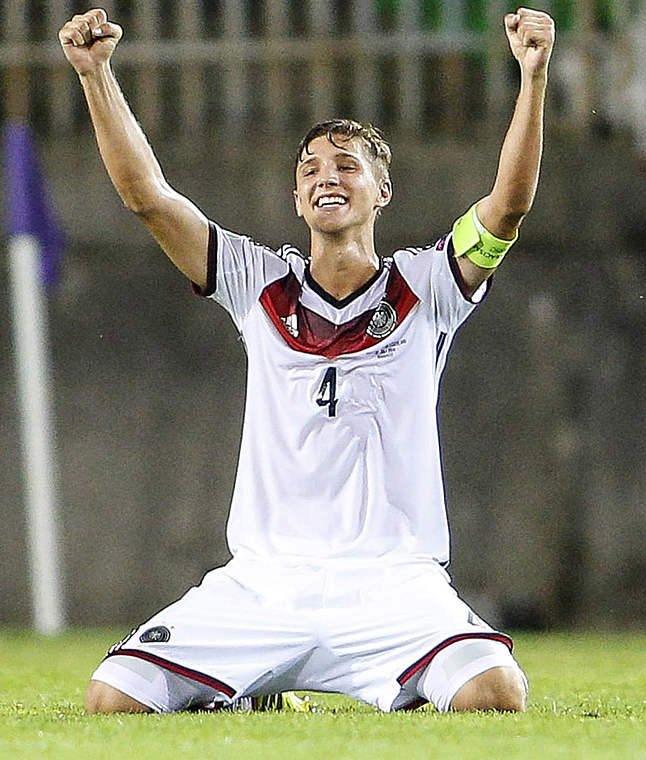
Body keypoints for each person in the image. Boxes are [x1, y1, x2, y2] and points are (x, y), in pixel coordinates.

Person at [59, 5, 554, 714]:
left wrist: (531, 76)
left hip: (392, 588)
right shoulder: (254, 283)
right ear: (296, 198)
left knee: (495, 692)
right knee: (114, 699)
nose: (328, 175)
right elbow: (147, 197)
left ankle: (312, 685)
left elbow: (507, 208)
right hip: (262, 586)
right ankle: (251, 693)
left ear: (381, 192)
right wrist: (96, 75)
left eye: (347, 165)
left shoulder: (430, 285)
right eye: (312, 168)